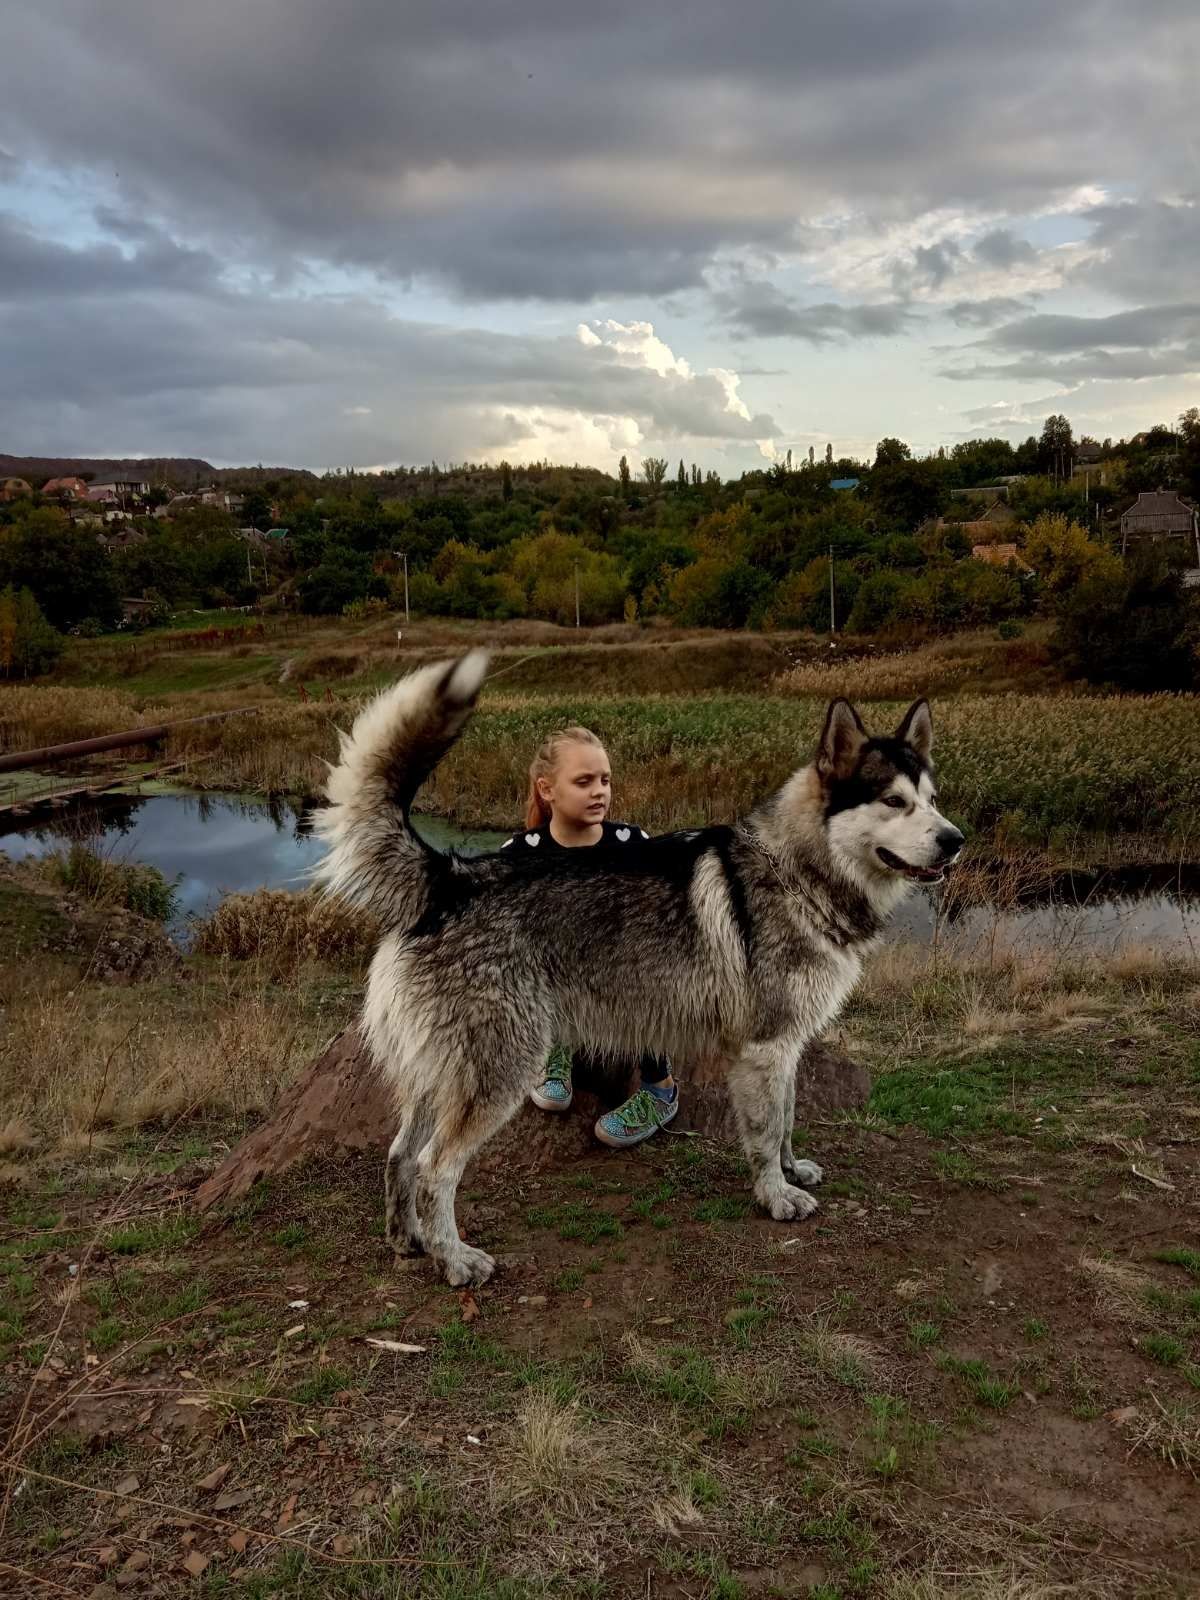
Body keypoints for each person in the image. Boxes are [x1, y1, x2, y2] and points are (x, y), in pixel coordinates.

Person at [499, 725, 679, 1148]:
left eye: (605, 780)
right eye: (583, 782)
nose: (599, 791)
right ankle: (552, 1052)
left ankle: (660, 1089)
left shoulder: (633, 844)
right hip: (553, 985)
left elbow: (663, 922)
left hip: (624, 980)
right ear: (547, 790)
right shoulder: (520, 854)